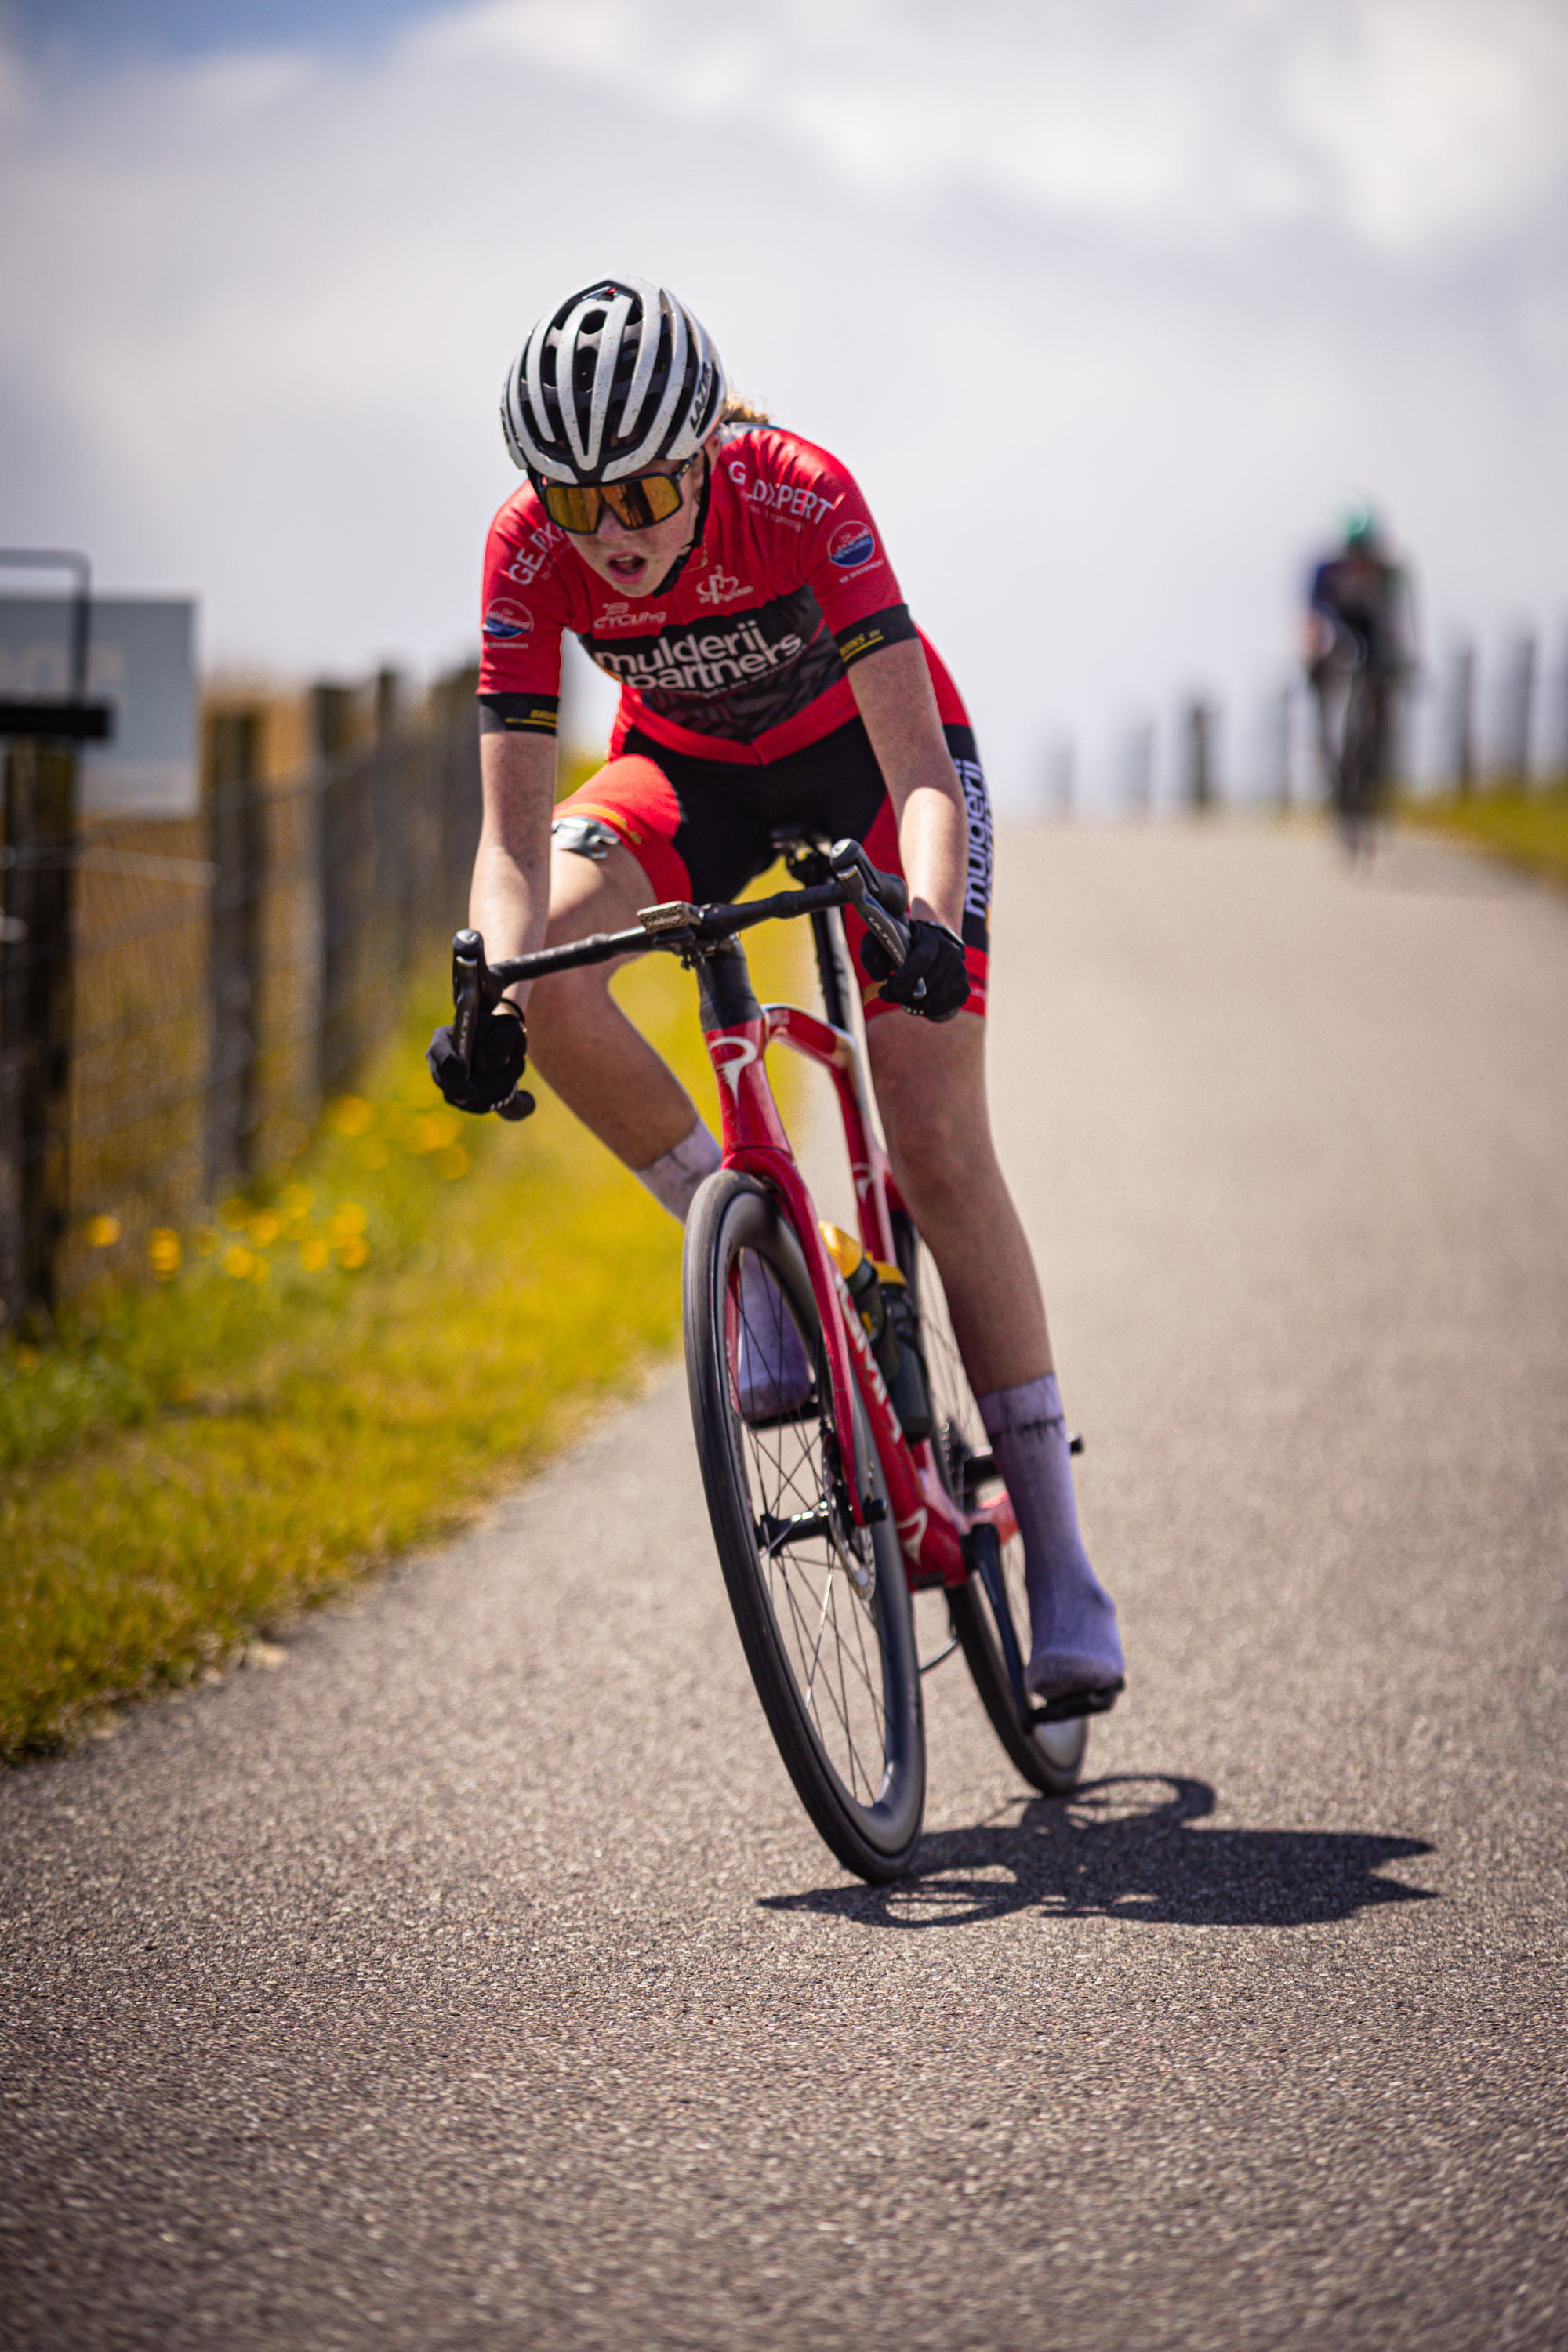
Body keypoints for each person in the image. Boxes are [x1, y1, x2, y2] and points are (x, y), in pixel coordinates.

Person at [428, 274, 1122, 1708]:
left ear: (705, 451)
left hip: (875, 775)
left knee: (932, 1134)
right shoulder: (521, 548)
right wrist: (487, 987)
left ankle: (1058, 1562)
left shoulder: (800, 495)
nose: (613, 537)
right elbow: (506, 844)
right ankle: (752, 1254)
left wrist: (927, 922)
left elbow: (925, 775)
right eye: (578, 506)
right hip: (688, 777)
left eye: (647, 495)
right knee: (557, 978)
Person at [1305, 503, 1416, 848]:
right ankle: (1334, 767)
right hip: (1337, 634)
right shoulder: (1326, 570)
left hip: (1374, 635)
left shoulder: (1389, 573)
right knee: (1328, 680)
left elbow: (1402, 621)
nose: (1360, 558)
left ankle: (1375, 773)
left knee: (1381, 698)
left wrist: (1404, 660)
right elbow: (1311, 619)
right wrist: (1313, 658)